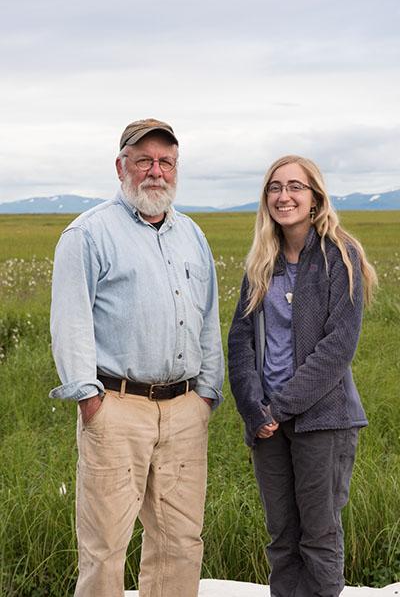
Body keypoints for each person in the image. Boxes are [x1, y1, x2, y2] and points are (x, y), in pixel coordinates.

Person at [49, 118, 224, 597]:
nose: (156, 171)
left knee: (180, 541)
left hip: (186, 409)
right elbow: (71, 321)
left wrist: (208, 392)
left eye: (166, 161)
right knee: (106, 546)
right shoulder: (88, 234)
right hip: (117, 407)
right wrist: (89, 400)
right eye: (144, 160)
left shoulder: (192, 235)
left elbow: (208, 319)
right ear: (121, 165)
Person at [228, 155, 377, 597]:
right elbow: (240, 341)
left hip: (322, 420)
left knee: (319, 537)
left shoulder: (340, 257)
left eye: (295, 186)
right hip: (268, 426)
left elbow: (337, 349)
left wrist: (281, 407)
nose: (283, 195)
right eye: (275, 187)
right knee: (282, 539)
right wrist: (255, 411)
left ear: (315, 198)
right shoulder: (261, 261)